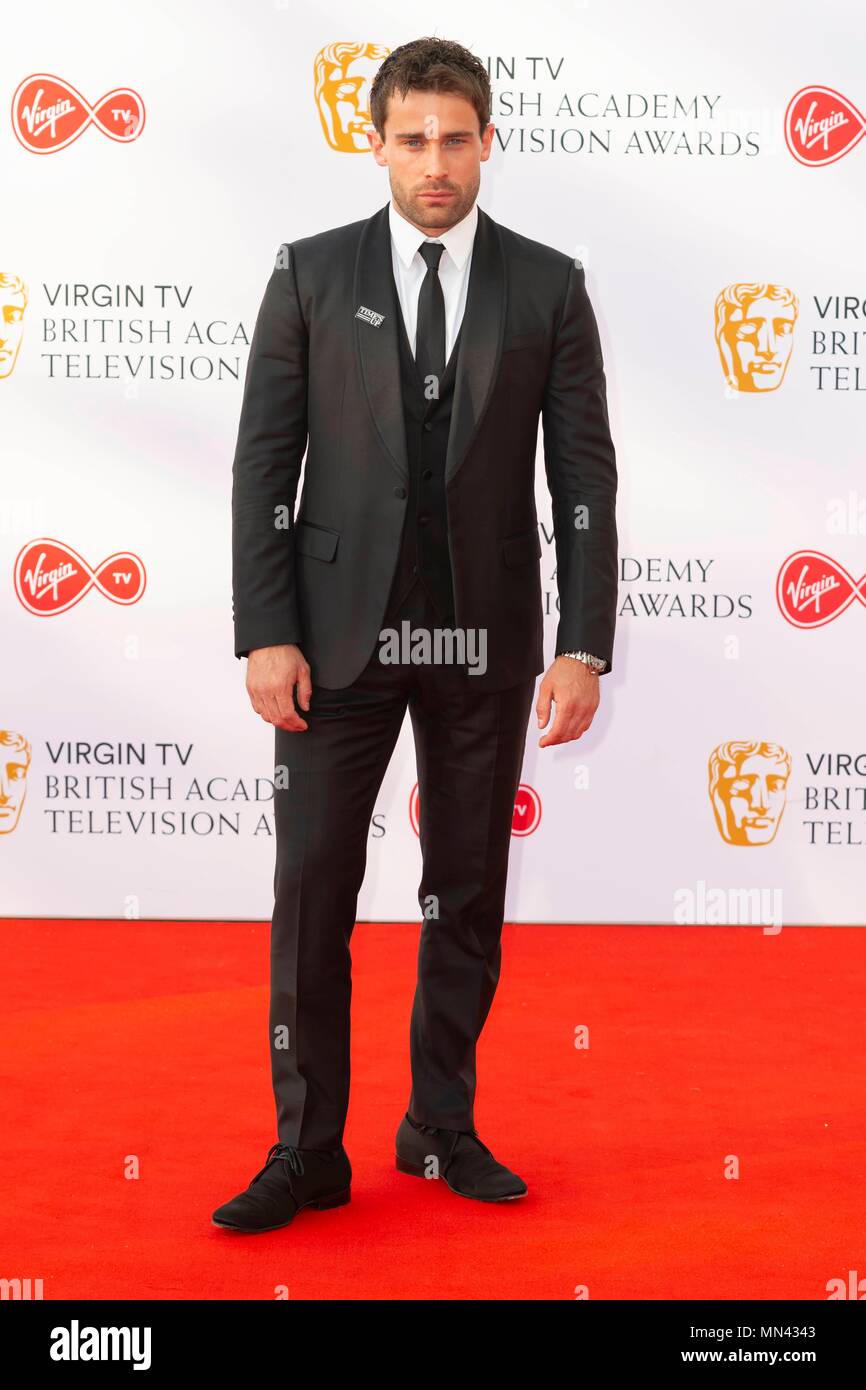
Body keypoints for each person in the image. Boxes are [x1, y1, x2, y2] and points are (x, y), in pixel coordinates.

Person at [213, 36, 618, 1233]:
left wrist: (582, 642)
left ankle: (438, 1123)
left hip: (483, 641)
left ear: (487, 139)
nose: (434, 162)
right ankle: (306, 1148)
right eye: (412, 139)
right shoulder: (307, 273)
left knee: (464, 890)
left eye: (455, 138)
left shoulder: (546, 284)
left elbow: (581, 474)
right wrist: (265, 630)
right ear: (374, 141)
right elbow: (260, 469)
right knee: (312, 892)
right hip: (334, 643)